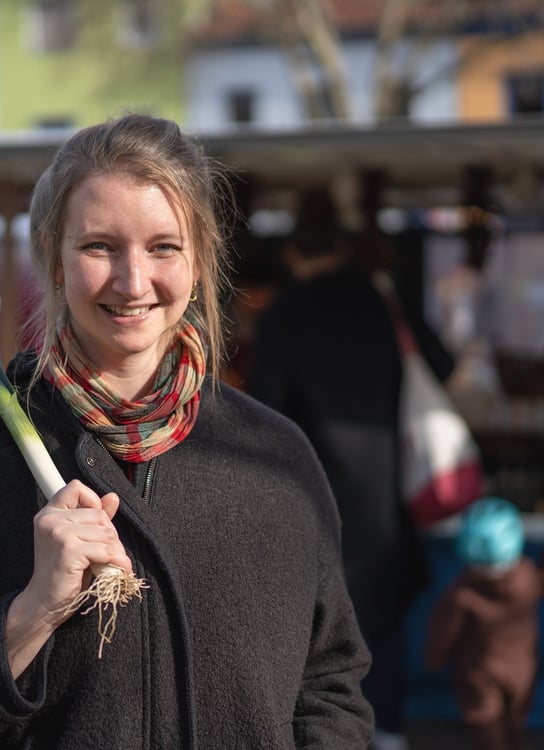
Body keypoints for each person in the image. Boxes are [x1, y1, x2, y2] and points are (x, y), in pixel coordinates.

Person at [0, 115, 373, 749]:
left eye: (163, 247)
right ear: (53, 257)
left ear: (199, 261)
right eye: (99, 247)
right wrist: (30, 615)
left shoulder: (274, 458)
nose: (133, 282)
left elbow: (332, 689)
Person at [248, 186, 454, 750]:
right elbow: (444, 363)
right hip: (388, 486)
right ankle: (387, 728)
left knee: (320, 618)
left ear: (292, 256)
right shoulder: (381, 298)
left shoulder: (285, 314)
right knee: (382, 613)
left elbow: (264, 409)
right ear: (342, 248)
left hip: (310, 491)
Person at [425, 497, 543, 750]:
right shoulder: (529, 579)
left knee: (489, 732)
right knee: (515, 725)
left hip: (479, 678)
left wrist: (434, 659)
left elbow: (443, 633)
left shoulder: (462, 595)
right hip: (523, 672)